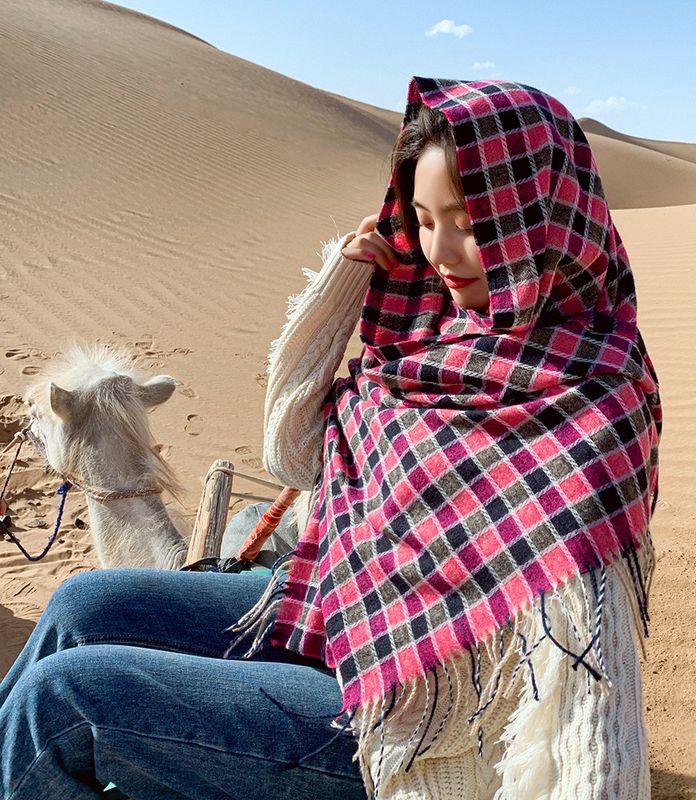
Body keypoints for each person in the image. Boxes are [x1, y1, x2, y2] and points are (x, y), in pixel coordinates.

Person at [0, 75, 662, 800]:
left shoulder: (587, 397)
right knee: (79, 609)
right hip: (342, 616)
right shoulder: (425, 344)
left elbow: (594, 684)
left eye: (470, 222)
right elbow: (291, 452)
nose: (440, 251)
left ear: (539, 216)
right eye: (422, 218)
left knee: (67, 703)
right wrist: (345, 280)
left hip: (415, 736)